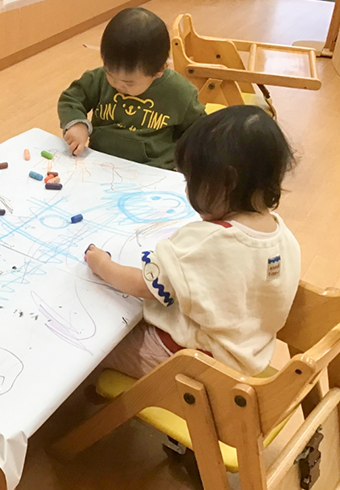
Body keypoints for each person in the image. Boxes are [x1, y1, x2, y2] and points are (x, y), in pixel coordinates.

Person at [86, 106, 300, 377]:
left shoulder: (207, 241)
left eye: (191, 180)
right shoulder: (283, 236)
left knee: (95, 352)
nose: (187, 189)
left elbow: (144, 286)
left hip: (195, 362)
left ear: (227, 182)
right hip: (247, 357)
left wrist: (102, 265)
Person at [58, 8, 206, 169]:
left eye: (128, 83)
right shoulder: (98, 79)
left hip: (152, 170)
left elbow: (199, 131)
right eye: (110, 74)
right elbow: (71, 98)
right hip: (100, 162)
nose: (117, 85)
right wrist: (77, 124)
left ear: (158, 71)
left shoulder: (179, 92)